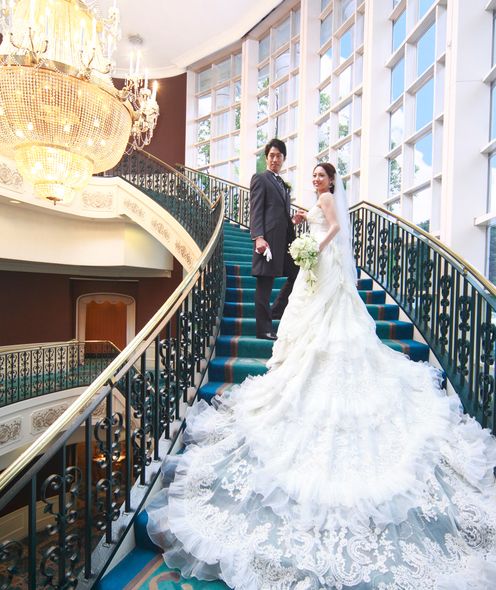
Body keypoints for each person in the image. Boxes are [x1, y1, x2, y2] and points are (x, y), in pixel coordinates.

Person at [147, 163, 496, 589]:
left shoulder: (329, 199)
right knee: (309, 320)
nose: (315, 181)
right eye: (312, 176)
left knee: (332, 323)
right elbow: (319, 221)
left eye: (320, 176)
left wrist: (313, 248)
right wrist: (302, 224)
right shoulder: (317, 200)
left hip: (324, 265)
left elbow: (334, 228)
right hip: (318, 266)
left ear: (331, 181)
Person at [249, 138, 298, 340]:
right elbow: (256, 210)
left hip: (284, 242)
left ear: (284, 158)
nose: (275, 159)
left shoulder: (282, 185)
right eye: (271, 155)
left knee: (297, 273)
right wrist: (258, 237)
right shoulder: (260, 179)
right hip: (267, 242)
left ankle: (276, 311)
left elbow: (278, 214)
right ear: (266, 158)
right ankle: (263, 329)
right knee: (264, 284)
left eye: (279, 156)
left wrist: (292, 221)